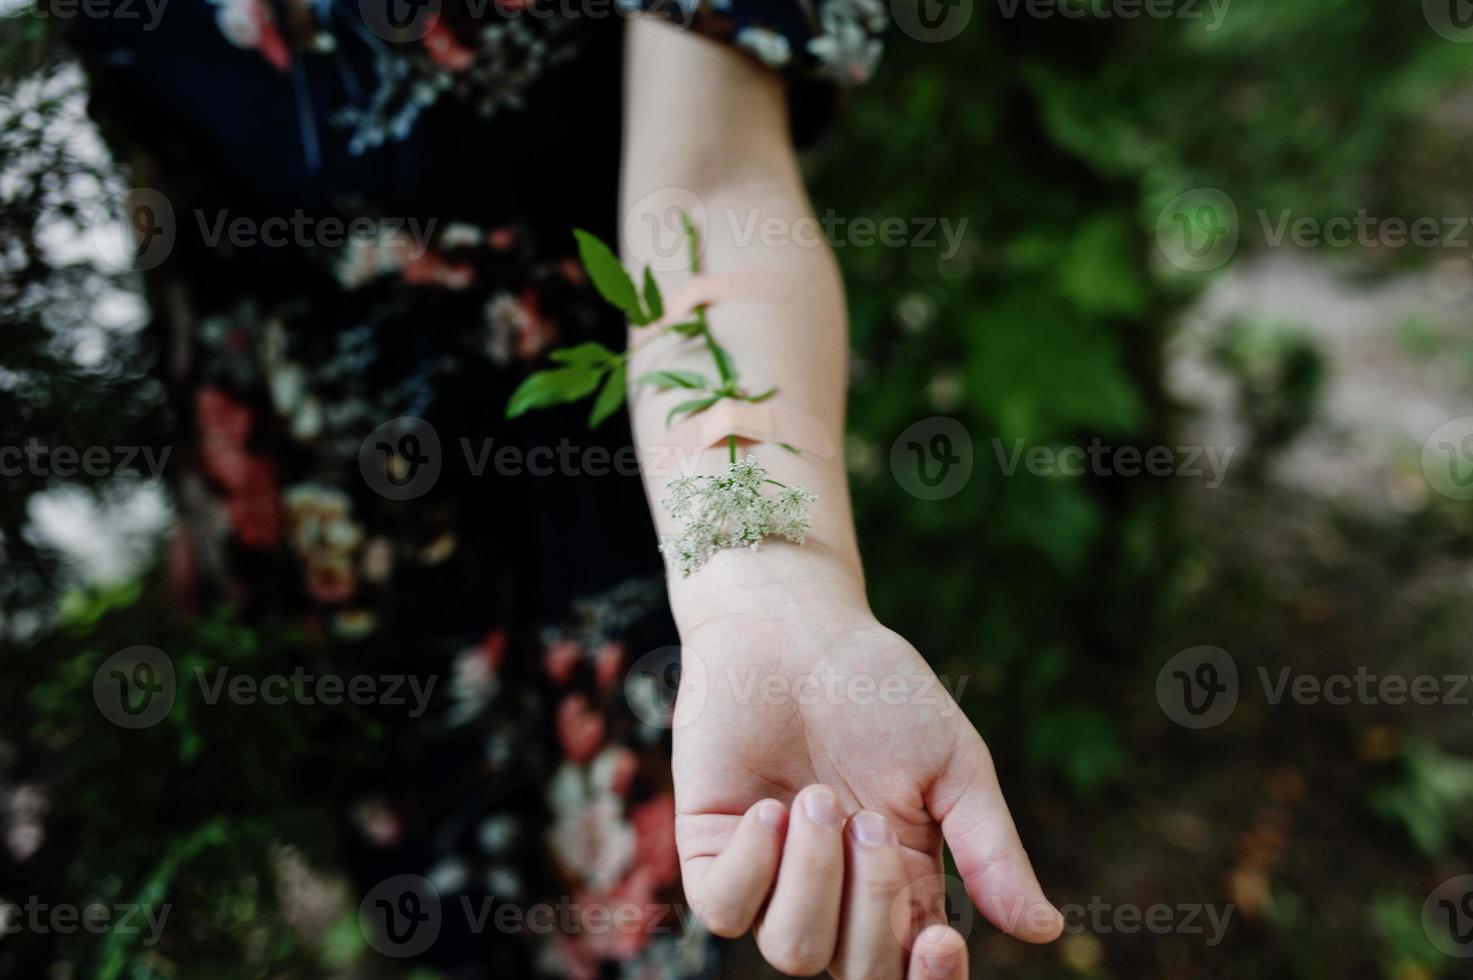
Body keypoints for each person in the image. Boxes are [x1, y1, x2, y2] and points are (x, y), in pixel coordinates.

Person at [69, 0, 1062, 975]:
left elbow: (710, 194)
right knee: (377, 878)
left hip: (598, 488)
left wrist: (771, 577)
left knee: (610, 905)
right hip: (288, 477)